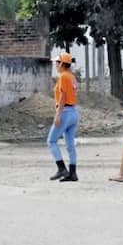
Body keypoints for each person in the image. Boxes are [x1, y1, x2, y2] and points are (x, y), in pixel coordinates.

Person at [48, 52, 79, 182]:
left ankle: (61, 168)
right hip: (73, 112)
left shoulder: (63, 77)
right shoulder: (72, 77)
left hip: (65, 111)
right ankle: (72, 173)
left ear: (61, 64)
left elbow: (62, 97)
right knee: (70, 145)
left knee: (51, 141)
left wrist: (57, 115)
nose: (55, 65)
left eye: (56, 62)